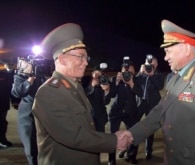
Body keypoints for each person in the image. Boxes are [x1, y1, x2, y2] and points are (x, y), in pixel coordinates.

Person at [117, 19, 195, 165]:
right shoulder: (176, 78)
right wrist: (132, 134)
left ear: (186, 49)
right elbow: (160, 111)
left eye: (168, 51)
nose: (165, 57)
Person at [31, 23, 128, 165]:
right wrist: (114, 140)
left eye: (86, 58)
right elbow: (73, 135)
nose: (85, 63)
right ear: (62, 59)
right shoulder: (49, 92)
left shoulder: (75, 86)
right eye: (80, 57)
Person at [11, 58, 47, 165]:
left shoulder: (43, 76)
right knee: (31, 148)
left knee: (45, 147)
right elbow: (16, 93)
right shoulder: (20, 77)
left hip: (44, 116)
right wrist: (28, 81)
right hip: (28, 117)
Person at [108, 60, 142, 165]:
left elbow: (140, 93)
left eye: (131, 73)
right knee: (113, 137)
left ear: (135, 72)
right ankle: (111, 160)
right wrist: (116, 83)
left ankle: (131, 155)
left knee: (134, 135)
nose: (128, 75)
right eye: (125, 73)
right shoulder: (115, 79)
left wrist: (131, 83)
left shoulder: (137, 80)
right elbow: (112, 95)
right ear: (121, 72)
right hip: (116, 111)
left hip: (131, 112)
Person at [136, 56, 165, 160]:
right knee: (135, 126)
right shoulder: (142, 74)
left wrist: (152, 75)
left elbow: (160, 86)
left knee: (149, 128)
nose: (149, 65)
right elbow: (135, 83)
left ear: (156, 65)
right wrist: (140, 72)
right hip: (140, 103)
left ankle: (148, 150)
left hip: (152, 104)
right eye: (147, 63)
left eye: (151, 63)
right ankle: (131, 151)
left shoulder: (159, 74)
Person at [83, 68, 112, 132]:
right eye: (95, 75)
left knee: (101, 136)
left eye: (99, 75)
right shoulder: (85, 82)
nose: (97, 77)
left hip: (100, 116)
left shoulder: (104, 83)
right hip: (88, 116)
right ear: (92, 74)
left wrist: (106, 91)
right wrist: (92, 86)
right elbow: (83, 95)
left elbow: (106, 102)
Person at [0, 63, 16, 148]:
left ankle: (2, 140)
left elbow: (10, 88)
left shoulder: (4, 75)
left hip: (2, 103)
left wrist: (14, 102)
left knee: (2, 122)